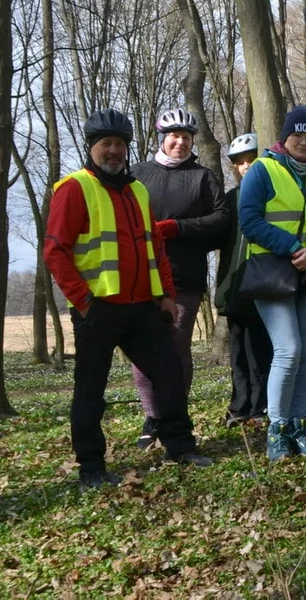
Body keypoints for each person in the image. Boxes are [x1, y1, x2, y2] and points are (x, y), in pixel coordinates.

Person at [44, 109, 211, 488]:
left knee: (169, 374)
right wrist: (84, 302)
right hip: (98, 309)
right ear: (93, 148)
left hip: (142, 308)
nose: (114, 151)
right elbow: (55, 251)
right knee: (90, 390)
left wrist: (166, 295)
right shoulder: (74, 187)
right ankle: (91, 468)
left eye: (120, 144)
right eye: (107, 144)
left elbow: (156, 249)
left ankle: (180, 447)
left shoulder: (137, 190)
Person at [238, 106, 306, 461]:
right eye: (296, 135)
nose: (302, 141)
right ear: (284, 139)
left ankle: (299, 425)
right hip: (272, 273)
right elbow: (249, 220)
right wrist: (293, 247)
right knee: (288, 349)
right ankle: (277, 430)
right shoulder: (262, 170)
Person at [130, 109, 230, 449]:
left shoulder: (202, 177)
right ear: (163, 138)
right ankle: (151, 416)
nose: (180, 142)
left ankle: (174, 415)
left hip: (184, 277)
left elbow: (221, 219)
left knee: (175, 349)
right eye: (174, 136)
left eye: (186, 137)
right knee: (143, 348)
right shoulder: (138, 173)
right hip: (140, 276)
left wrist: (179, 228)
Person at [214, 133, 274, 427]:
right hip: (234, 286)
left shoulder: (270, 195)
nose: (247, 167)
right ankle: (240, 404)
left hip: (263, 283)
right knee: (237, 349)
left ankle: (260, 405)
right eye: (241, 163)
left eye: (252, 160)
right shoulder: (229, 200)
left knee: (260, 348)